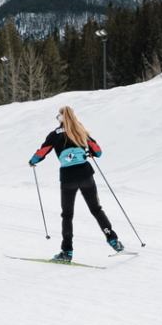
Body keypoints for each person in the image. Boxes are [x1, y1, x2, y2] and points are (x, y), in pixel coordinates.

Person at [29, 105, 123, 262]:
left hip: (68, 179)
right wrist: (89, 152)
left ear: (60, 118)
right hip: (86, 175)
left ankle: (67, 252)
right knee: (96, 210)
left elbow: (42, 151)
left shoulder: (54, 134)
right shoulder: (81, 130)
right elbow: (98, 151)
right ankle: (113, 240)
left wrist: (33, 161)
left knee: (67, 215)